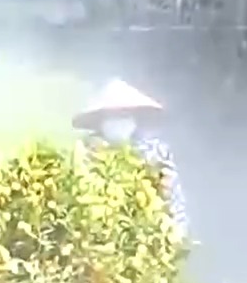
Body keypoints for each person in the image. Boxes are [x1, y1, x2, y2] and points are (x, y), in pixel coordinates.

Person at [71, 78, 189, 237]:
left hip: (146, 232)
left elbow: (176, 203)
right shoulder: (86, 151)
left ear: (135, 117)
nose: (119, 120)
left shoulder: (155, 151)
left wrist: (176, 232)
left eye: (124, 114)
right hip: (97, 232)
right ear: (101, 119)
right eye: (113, 115)